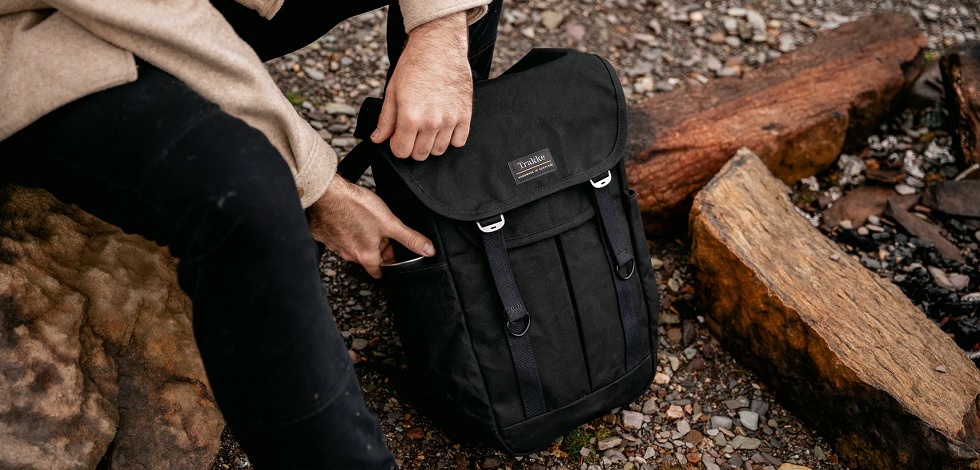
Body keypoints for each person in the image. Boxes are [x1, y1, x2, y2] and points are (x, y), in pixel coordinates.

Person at [0, 0, 501, 467]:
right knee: (248, 195)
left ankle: (448, 271)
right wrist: (318, 184)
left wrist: (439, 30)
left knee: (446, 12)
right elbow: (161, 18)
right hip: (50, 31)